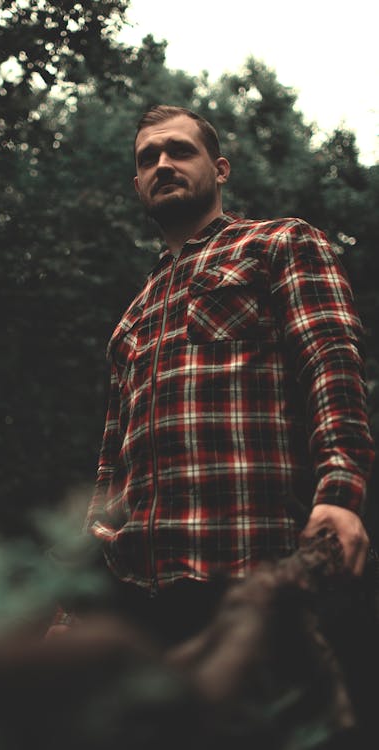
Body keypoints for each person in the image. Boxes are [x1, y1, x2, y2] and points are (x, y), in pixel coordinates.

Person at [50, 105, 374, 646]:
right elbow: (111, 468)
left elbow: (331, 365)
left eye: (180, 150)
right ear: (137, 185)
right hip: (141, 604)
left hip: (258, 572)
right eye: (148, 157)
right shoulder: (133, 314)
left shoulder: (279, 244)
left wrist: (339, 495)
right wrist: (74, 603)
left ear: (219, 169)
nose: (163, 164)